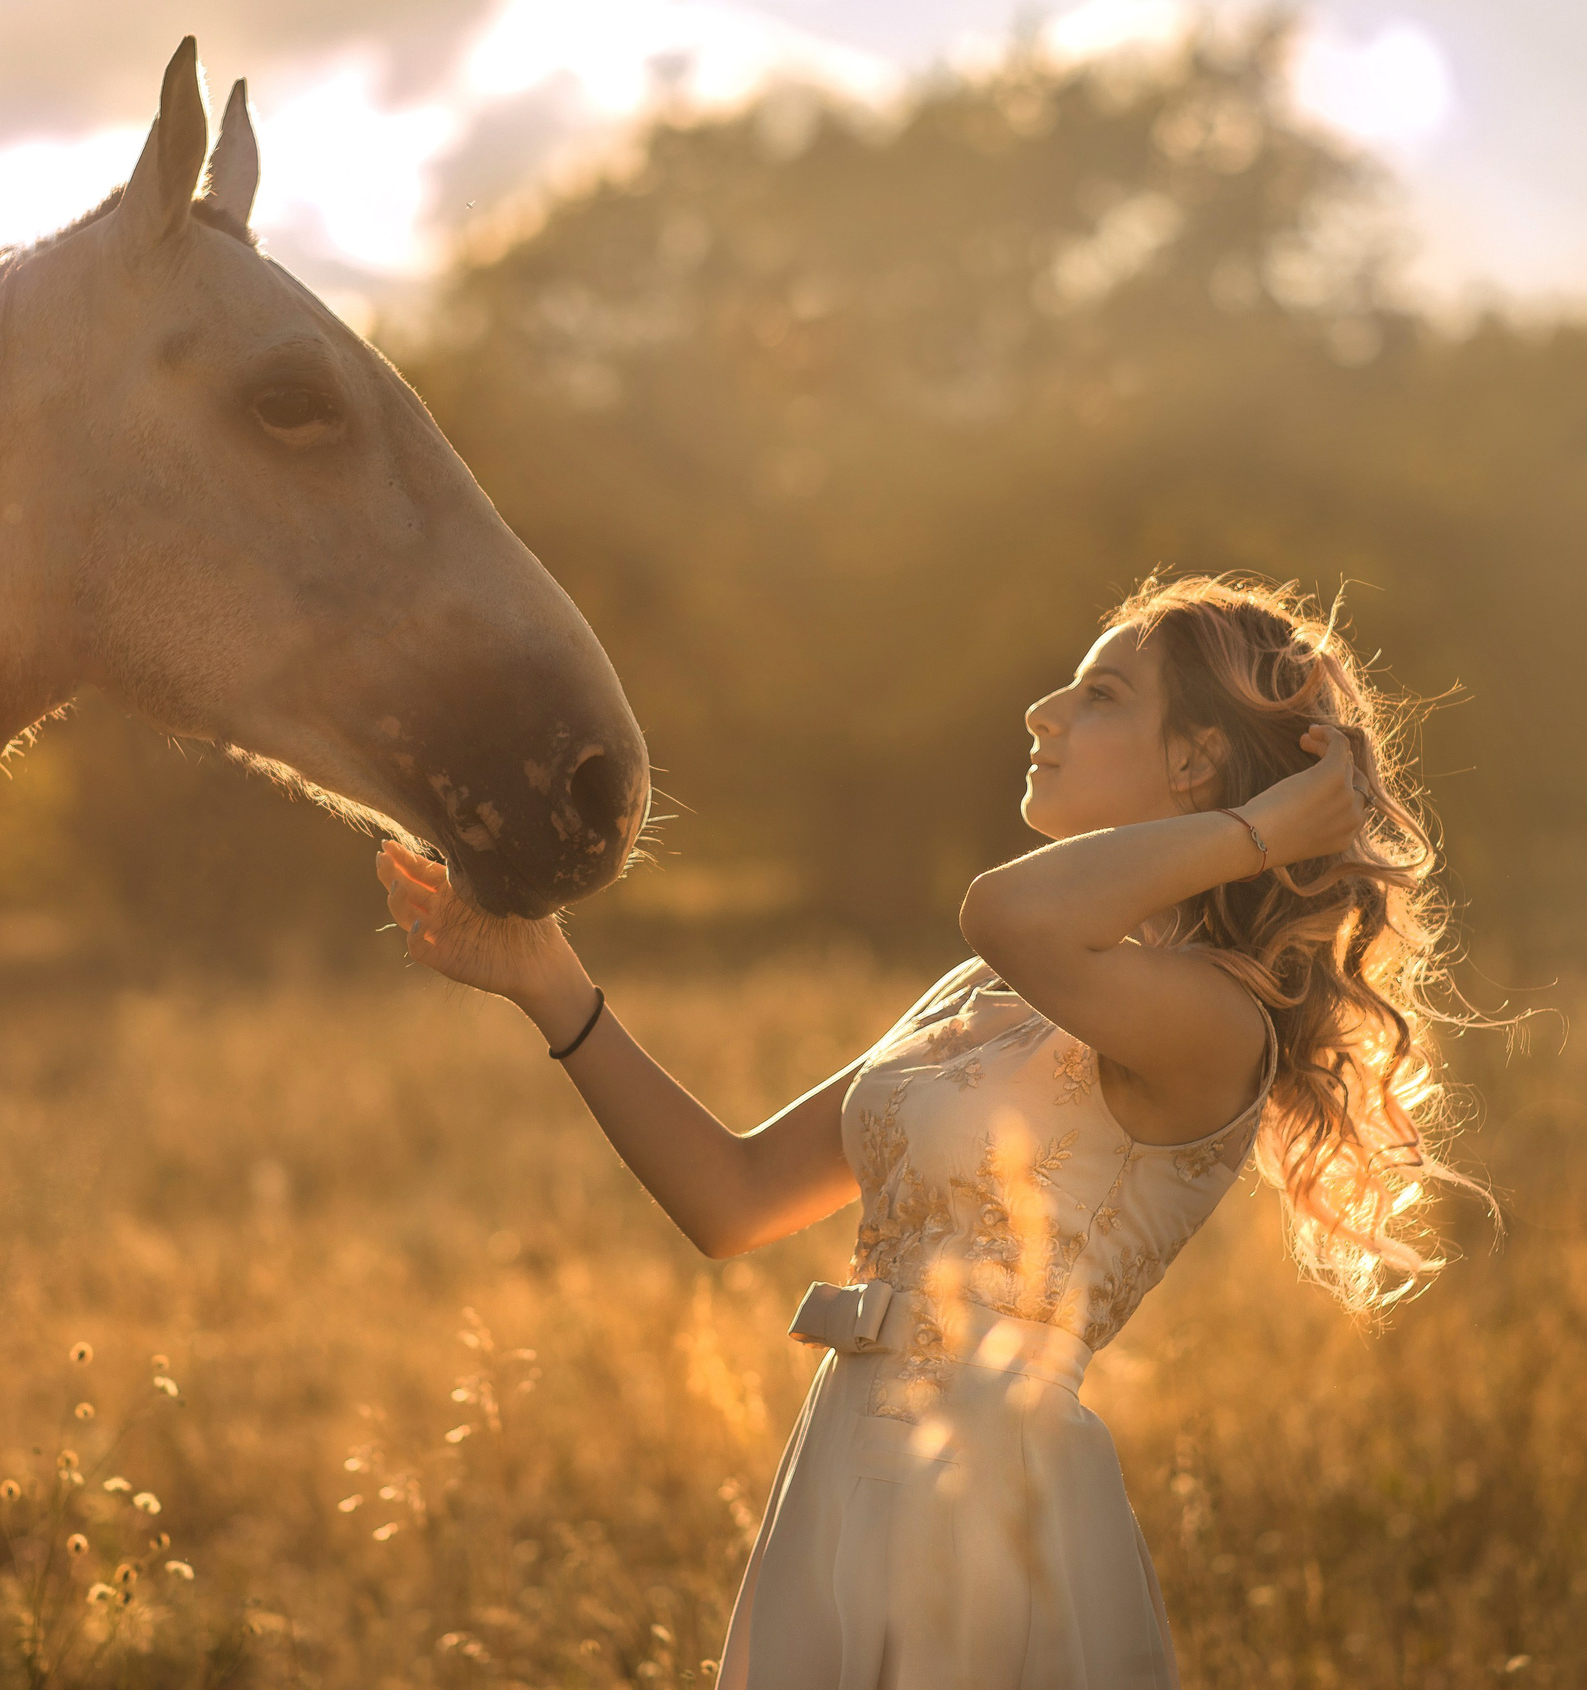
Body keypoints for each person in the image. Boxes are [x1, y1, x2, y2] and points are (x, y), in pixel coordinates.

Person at [375, 571, 1492, 1687]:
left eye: (1097, 695)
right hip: (837, 1472)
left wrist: (1259, 831)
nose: (1038, 712)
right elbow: (734, 1196)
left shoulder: (1213, 1018)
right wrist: (548, 983)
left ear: (1196, 759)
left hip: (990, 1498)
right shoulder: (981, 988)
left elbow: (1008, 909)